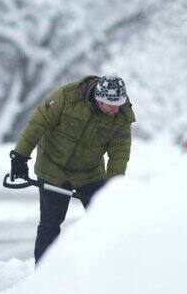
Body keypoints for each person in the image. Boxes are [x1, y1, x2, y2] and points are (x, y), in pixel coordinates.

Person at [9, 74, 135, 263]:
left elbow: (119, 156)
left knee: (106, 222)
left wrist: (112, 189)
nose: (115, 109)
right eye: (111, 104)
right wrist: (20, 157)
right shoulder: (67, 96)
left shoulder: (121, 118)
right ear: (99, 99)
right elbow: (37, 124)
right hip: (53, 168)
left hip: (90, 173)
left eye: (119, 104)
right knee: (50, 226)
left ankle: (105, 268)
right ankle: (42, 276)